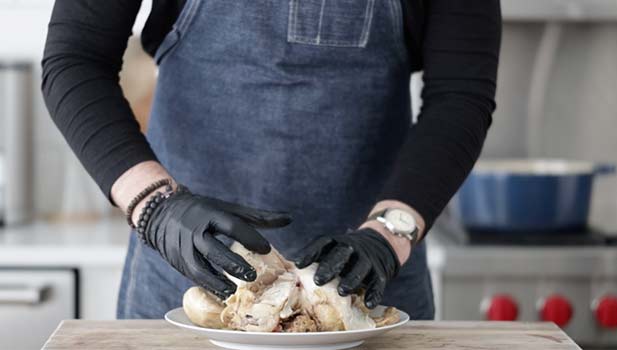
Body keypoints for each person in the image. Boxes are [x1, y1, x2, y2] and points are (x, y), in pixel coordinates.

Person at [42, 0, 501, 320]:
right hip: (184, 292)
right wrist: (155, 205)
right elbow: (74, 60)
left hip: (367, 289)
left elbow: (460, 96)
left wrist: (390, 233)